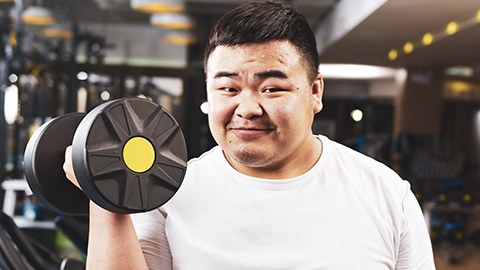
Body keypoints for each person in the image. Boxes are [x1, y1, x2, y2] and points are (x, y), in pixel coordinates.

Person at [64, 0, 436, 269]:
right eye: (227, 88)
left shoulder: (386, 193)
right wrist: (106, 190)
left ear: (315, 92)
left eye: (272, 88)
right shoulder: (167, 194)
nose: (247, 108)